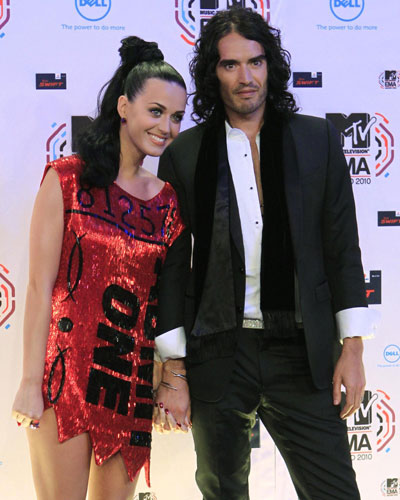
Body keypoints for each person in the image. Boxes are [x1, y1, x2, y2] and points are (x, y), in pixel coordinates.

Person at [156, 7, 378, 500]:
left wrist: (354, 347)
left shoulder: (317, 140)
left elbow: (342, 247)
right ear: (212, 75)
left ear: (270, 66)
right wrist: (172, 367)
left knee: (335, 490)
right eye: (230, 65)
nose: (245, 77)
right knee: (222, 490)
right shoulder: (186, 154)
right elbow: (171, 268)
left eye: (255, 62)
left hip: (300, 349)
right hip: (218, 351)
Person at [11, 36, 190, 500]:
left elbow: (166, 300)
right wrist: (31, 383)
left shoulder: (169, 202)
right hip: (63, 380)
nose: (166, 127)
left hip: (126, 384)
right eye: (156, 112)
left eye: (176, 117)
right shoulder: (68, 178)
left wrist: (169, 378)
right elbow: (36, 287)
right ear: (123, 107)